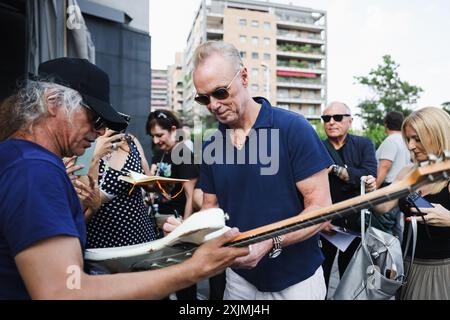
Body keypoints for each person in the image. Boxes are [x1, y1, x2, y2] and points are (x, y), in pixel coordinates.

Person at [0, 57, 248, 299]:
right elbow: (64, 291)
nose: (99, 131)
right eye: (96, 118)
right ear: (53, 102)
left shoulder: (19, 157)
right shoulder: (35, 170)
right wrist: (194, 269)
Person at [190, 41, 333, 300]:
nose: (213, 105)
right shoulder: (212, 143)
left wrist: (271, 241)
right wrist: (187, 233)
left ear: (243, 77)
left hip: (297, 280)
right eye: (203, 98)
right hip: (238, 279)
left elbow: (321, 209)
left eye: (220, 92)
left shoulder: (293, 128)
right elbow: (210, 207)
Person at [368, 107, 450, 300]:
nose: (411, 146)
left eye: (417, 139)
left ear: (438, 135)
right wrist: (371, 192)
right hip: (409, 264)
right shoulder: (409, 173)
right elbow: (383, 208)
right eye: (408, 139)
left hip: (442, 269)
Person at [319, 102, 377, 293]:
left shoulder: (363, 144)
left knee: (351, 278)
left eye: (337, 117)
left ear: (350, 121)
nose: (331, 122)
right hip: (324, 223)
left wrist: (337, 170)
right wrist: (320, 221)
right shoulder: (317, 147)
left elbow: (369, 173)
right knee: (320, 276)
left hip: (354, 224)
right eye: (326, 118)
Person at [146, 109, 200, 300]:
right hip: (163, 222)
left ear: (173, 130)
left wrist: (184, 229)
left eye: (159, 135)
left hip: (178, 224)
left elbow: (191, 194)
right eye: (153, 136)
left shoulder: (182, 152)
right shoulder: (162, 154)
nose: (155, 141)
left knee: (183, 282)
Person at [372, 111, 411, 237]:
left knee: (384, 230)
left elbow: (385, 166)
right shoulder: (405, 141)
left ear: (386, 125)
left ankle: (388, 256)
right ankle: (397, 254)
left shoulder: (391, 140)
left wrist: (374, 189)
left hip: (388, 188)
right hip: (402, 189)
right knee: (397, 228)